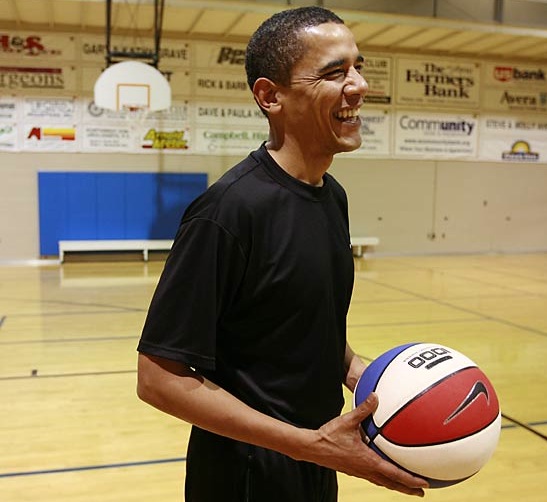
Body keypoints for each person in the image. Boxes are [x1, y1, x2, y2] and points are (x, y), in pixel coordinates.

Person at [136, 6, 428, 501]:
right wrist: (309, 445)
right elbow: (158, 378)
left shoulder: (331, 196)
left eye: (358, 66)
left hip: (315, 461)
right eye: (335, 72)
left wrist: (368, 377)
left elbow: (292, 328)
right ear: (270, 96)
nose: (358, 85)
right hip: (245, 476)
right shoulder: (228, 211)